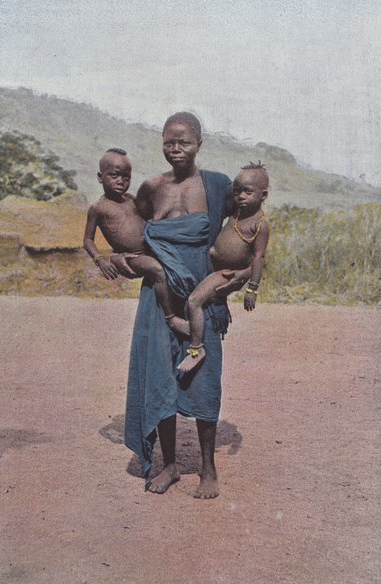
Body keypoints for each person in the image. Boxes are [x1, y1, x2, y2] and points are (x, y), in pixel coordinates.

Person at [111, 112, 251, 499]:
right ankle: (170, 465)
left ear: (199, 144)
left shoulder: (219, 186)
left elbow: (250, 227)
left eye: (184, 141)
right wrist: (116, 258)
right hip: (158, 299)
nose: (176, 148)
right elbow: (129, 230)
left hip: (202, 297)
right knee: (161, 378)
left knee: (204, 376)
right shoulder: (150, 189)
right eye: (169, 141)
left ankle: (208, 467)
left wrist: (242, 276)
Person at [83, 148, 189, 336]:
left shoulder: (131, 199)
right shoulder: (98, 208)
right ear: (100, 177)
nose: (121, 181)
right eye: (114, 175)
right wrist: (101, 260)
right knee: (157, 270)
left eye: (126, 177)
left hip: (151, 248)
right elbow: (88, 240)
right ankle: (171, 318)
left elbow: (149, 218)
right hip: (133, 257)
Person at [178, 163, 270, 372]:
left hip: (226, 274)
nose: (241, 196)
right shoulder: (237, 213)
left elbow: (258, 257)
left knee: (194, 302)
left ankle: (196, 348)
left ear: (263, 195)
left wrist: (252, 288)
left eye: (248, 191)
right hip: (214, 269)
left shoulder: (260, 225)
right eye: (237, 191)